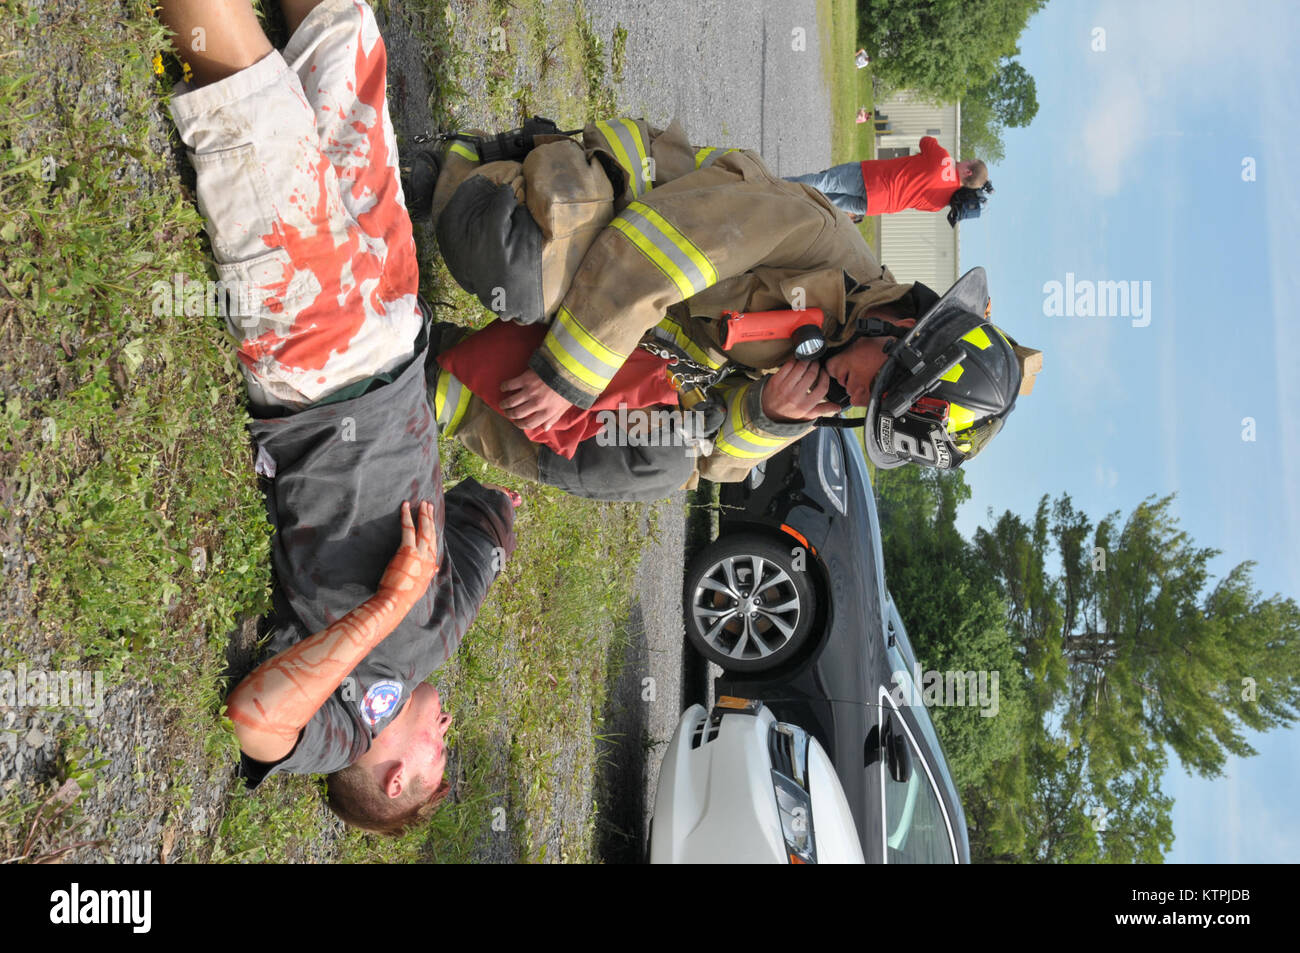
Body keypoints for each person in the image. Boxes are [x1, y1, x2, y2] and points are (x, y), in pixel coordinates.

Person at [158, 0, 518, 834]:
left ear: (394, 781)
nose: (447, 734)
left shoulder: (341, 723)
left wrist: (386, 607)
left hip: (313, 359)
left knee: (255, 113)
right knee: (343, 40)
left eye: (438, 760)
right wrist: (498, 519)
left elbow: (254, 721)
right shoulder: (441, 640)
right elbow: (481, 526)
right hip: (395, 326)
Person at [400, 118, 1032, 501]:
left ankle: (440, 377)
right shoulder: (820, 240)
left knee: (660, 457)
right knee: (512, 261)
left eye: (875, 409)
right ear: (899, 328)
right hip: (617, 227)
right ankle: (470, 173)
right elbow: (656, 248)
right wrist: (567, 374)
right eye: (881, 382)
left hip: (632, 329)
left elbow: (710, 458)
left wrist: (767, 414)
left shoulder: (831, 385)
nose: (861, 397)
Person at [785, 136, 989, 219]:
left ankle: (777, 186)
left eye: (968, 161)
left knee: (824, 181)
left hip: (872, 179)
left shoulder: (943, 160)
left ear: (968, 172)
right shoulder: (942, 203)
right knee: (822, 200)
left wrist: (949, 160)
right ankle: (781, 200)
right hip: (876, 206)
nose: (964, 160)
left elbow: (926, 141)